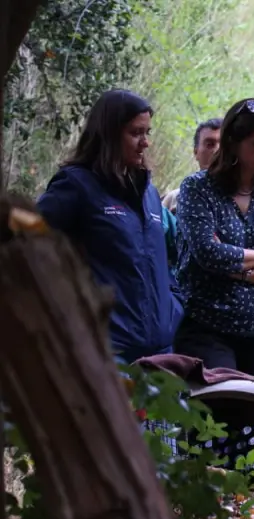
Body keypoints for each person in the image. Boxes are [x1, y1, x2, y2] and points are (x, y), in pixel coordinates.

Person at [36, 89, 183, 365]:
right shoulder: (76, 186)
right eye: (136, 133)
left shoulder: (148, 192)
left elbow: (159, 257)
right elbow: (29, 250)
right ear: (109, 134)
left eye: (147, 132)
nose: (145, 143)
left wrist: (173, 303)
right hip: (106, 352)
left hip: (161, 352)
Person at [173, 98, 254, 392]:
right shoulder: (198, 188)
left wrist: (239, 270)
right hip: (208, 326)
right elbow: (208, 253)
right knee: (216, 418)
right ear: (233, 142)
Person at [162, 117, 223, 214]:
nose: (217, 151)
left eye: (224, 145)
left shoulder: (248, 200)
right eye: (209, 144)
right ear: (196, 152)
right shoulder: (174, 200)